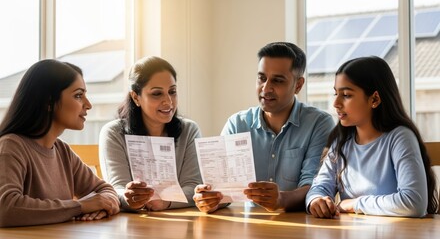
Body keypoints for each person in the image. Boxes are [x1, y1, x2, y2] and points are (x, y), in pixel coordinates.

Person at [193, 42, 335, 213]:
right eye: (261, 78)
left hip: (301, 227)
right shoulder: (237, 124)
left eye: (278, 80)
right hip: (251, 228)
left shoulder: (319, 124)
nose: (266, 88)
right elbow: (224, 190)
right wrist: (210, 200)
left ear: (298, 85)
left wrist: (281, 199)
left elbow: (315, 186)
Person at [306, 56, 439, 218]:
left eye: (346, 95)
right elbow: (320, 186)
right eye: (336, 93)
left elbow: (414, 203)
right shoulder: (341, 142)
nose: (336, 103)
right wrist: (316, 200)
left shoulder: (400, 138)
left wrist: (354, 204)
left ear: (374, 99)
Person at [0, 59, 120, 228]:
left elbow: (105, 190)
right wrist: (81, 206)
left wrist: (102, 206)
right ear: (48, 102)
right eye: (78, 95)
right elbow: (5, 209)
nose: (88, 104)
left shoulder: (62, 150)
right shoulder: (11, 146)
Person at [99, 56, 202, 211]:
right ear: (136, 97)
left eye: (172, 92)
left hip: (179, 223)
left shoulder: (189, 130)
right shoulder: (113, 133)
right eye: (156, 94)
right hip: (130, 225)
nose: (168, 101)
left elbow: (193, 186)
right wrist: (129, 197)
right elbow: (116, 189)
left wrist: (165, 202)